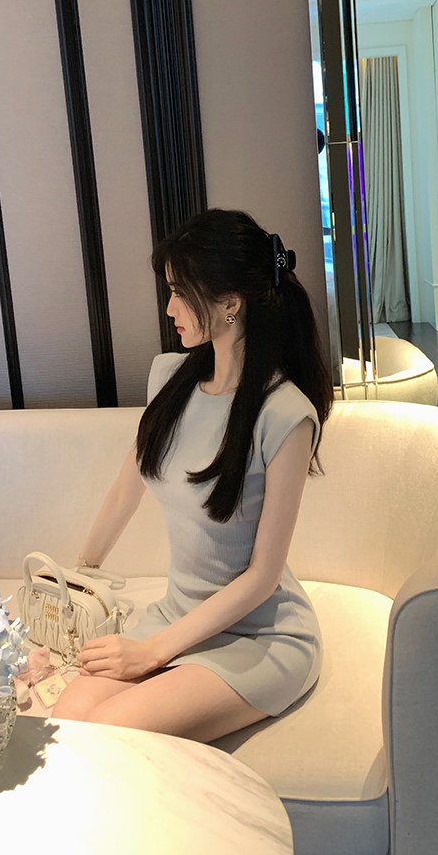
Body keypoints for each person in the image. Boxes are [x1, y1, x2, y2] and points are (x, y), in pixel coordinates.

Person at [52, 209, 333, 742]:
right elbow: (124, 492)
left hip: (259, 635)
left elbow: (263, 576)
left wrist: (153, 652)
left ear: (231, 303)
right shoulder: (171, 380)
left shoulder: (285, 414)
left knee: (111, 733)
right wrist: (74, 584)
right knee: (65, 720)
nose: (169, 308)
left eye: (180, 292)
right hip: (178, 615)